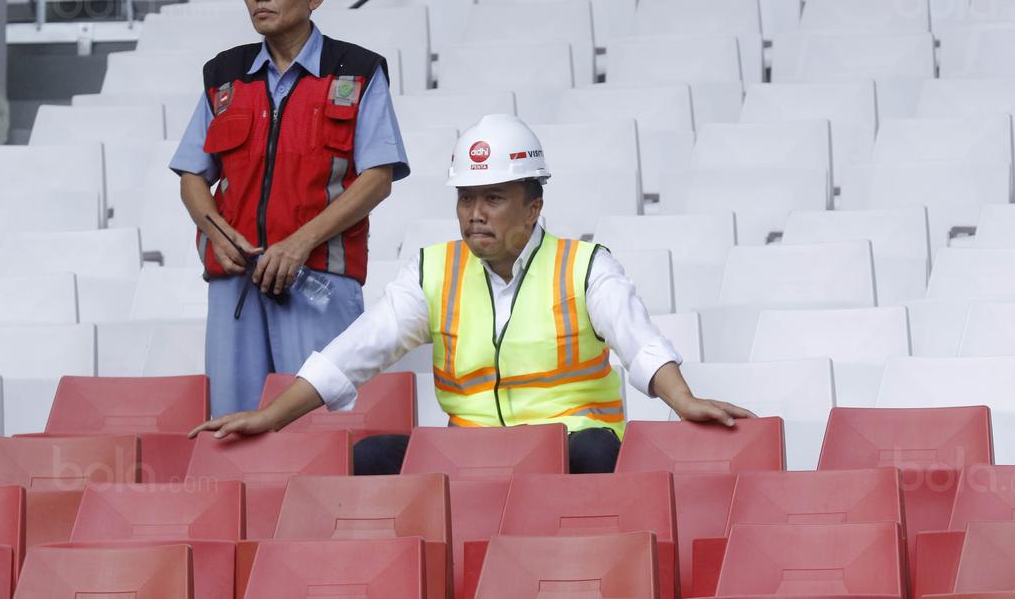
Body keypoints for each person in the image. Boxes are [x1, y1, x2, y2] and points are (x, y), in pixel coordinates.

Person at [191, 114, 753, 473]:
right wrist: (271, 417)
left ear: (534, 208)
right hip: (474, 452)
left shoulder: (585, 267)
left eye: (494, 198)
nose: (475, 214)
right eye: (466, 199)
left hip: (572, 448)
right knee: (369, 460)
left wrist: (682, 401)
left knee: (596, 454)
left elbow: (642, 345)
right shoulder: (433, 271)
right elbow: (353, 354)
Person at [170, 0, 409, 417]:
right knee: (232, 426)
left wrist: (300, 243)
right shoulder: (224, 75)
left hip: (320, 282)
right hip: (234, 284)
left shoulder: (358, 72)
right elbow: (193, 175)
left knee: (321, 433)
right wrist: (215, 233)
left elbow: (378, 178)